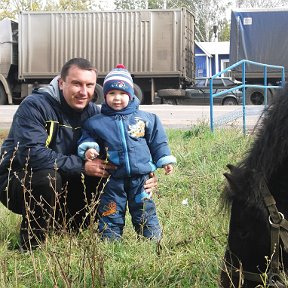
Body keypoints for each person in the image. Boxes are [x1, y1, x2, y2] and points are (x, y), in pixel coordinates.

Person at [0, 58, 157, 250]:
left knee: (107, 171)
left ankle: (69, 227)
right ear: (61, 83)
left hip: (67, 178)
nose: (84, 92)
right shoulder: (35, 106)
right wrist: (82, 166)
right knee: (47, 176)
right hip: (17, 180)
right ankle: (32, 244)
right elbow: (31, 156)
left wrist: (145, 174)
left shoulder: (94, 114)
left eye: (89, 85)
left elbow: (125, 148)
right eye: (76, 84)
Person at [78, 64, 176, 241]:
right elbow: (88, 137)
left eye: (123, 94)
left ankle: (152, 241)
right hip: (112, 178)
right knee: (111, 210)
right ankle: (110, 241)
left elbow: (158, 142)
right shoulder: (97, 122)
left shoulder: (146, 119)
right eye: (112, 93)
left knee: (144, 210)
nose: (117, 98)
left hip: (141, 179)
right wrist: (90, 149)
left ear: (131, 95)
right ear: (104, 95)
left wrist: (164, 160)